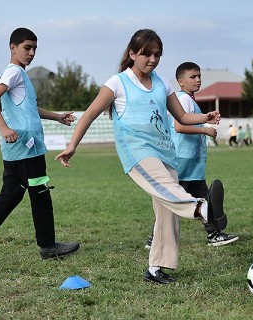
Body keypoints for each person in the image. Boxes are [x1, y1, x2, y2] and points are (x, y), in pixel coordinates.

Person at [55, 29, 226, 284]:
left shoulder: (162, 83)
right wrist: (72, 145)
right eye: (147, 54)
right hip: (137, 152)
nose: (153, 59)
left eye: (158, 54)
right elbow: (89, 114)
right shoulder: (117, 83)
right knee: (168, 188)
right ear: (133, 53)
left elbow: (181, 117)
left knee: (166, 208)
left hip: (165, 151)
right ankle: (202, 208)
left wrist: (205, 117)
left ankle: (156, 269)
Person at [0, 27, 80, 266]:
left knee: (12, 193)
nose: (32, 52)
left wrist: (56, 116)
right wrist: (4, 128)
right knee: (41, 193)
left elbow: (30, 110)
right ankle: (48, 246)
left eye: (35, 48)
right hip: (27, 146)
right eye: (27, 47)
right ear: (12, 47)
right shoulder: (14, 72)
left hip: (17, 148)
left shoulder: (18, 75)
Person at [145, 62, 238, 248]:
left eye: (199, 76)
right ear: (180, 82)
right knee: (173, 201)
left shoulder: (190, 100)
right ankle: (155, 238)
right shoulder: (184, 99)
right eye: (192, 77)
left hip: (193, 164)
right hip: (183, 161)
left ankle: (214, 234)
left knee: (204, 198)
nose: (197, 80)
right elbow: (179, 127)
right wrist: (205, 130)